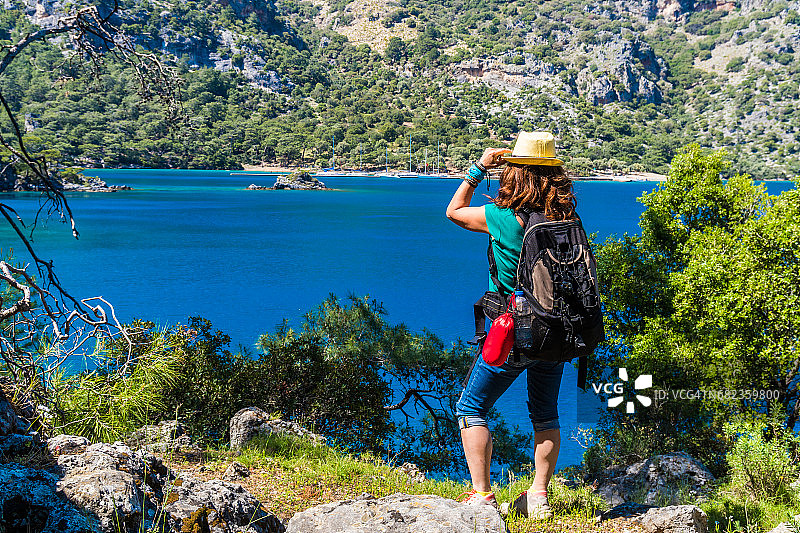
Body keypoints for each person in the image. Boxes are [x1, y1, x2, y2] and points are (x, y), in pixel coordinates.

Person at [445, 131, 578, 518]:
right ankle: (538, 497)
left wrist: (478, 169)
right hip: (556, 331)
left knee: (471, 407)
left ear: (514, 173)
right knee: (545, 413)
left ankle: (482, 496)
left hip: (513, 332)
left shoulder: (502, 218)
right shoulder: (565, 218)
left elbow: (454, 211)